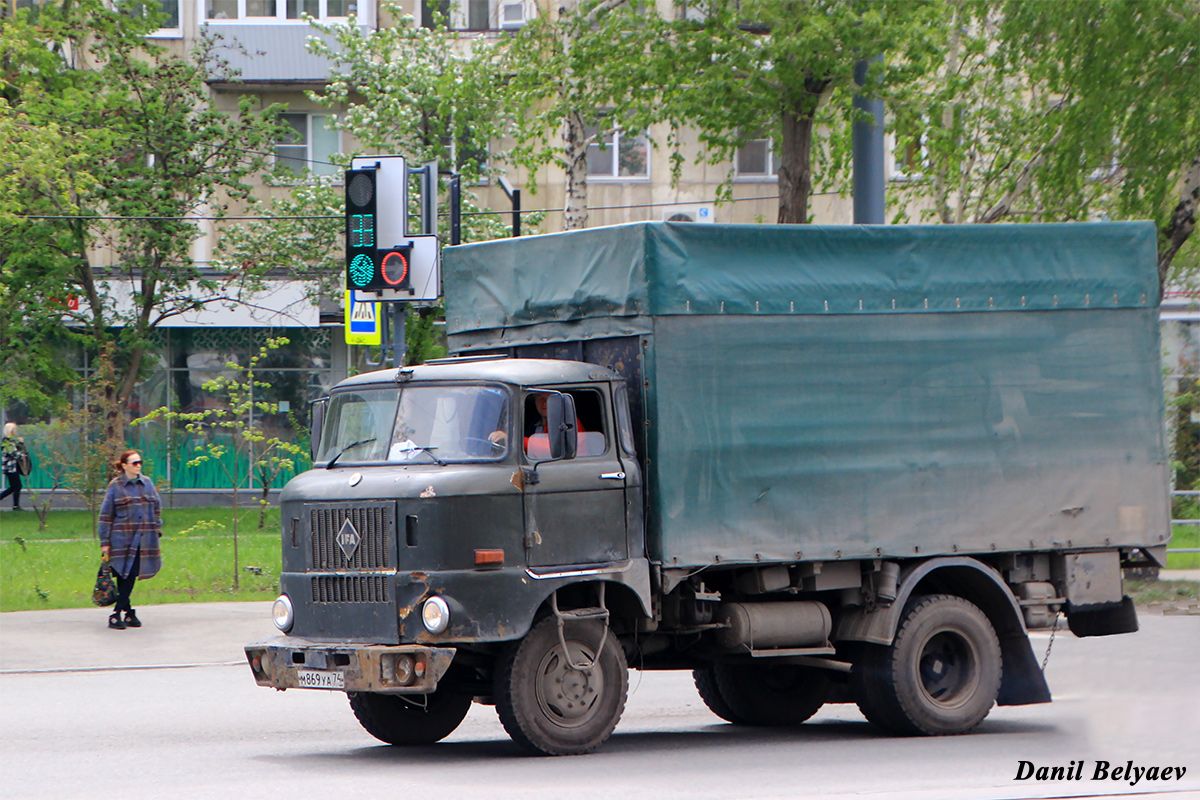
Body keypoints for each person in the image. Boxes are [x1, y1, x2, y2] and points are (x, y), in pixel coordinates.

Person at [98, 450, 163, 630]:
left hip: (144, 539)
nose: (138, 466)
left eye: (140, 462)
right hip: (121, 540)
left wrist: (157, 529)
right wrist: (105, 542)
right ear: (124, 465)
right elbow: (106, 515)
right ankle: (123, 613)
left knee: (131, 574)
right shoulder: (116, 486)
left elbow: (157, 508)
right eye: (134, 463)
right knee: (122, 575)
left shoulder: (147, 483)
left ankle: (122, 612)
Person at [1, 422, 28, 511]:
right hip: (10, 468)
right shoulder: (6, 442)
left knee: (14, 487)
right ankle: (15, 506)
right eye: (15, 429)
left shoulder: (11, 441)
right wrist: (23, 455)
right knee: (17, 486)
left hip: (13, 467)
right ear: (10, 430)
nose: (16, 430)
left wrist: (20, 443)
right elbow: (13, 454)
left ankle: (15, 505)